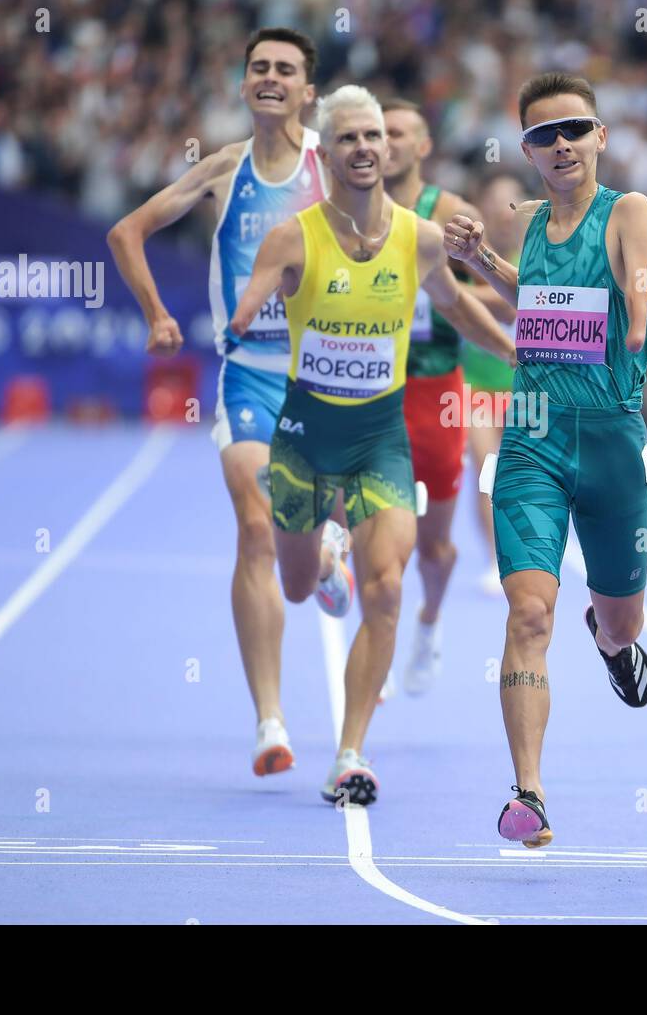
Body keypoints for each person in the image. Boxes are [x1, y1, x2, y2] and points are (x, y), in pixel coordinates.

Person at [232, 85, 515, 805]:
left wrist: (517, 350)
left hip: (380, 438)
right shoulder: (294, 236)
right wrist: (244, 316)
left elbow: (459, 306)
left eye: (374, 138)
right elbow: (247, 307)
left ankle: (351, 752)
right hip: (303, 437)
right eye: (350, 139)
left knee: (387, 585)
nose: (364, 148)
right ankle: (324, 559)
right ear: (324, 154)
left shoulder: (419, 239)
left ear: (391, 153)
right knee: (296, 586)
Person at [107, 27, 352, 781]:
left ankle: (330, 556)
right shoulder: (223, 169)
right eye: (259, 68)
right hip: (248, 371)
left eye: (286, 69)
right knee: (255, 525)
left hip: (333, 373)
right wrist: (156, 313)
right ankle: (270, 719)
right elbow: (126, 232)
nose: (271, 78)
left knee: (306, 562)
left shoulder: (336, 164)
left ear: (309, 91)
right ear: (245, 84)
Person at [443, 72, 647, 848]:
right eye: (543, 135)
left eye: (574, 128)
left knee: (621, 619)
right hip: (532, 432)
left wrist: (636, 320)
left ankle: (610, 641)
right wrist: (484, 266)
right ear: (529, 149)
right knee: (527, 612)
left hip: (611, 436)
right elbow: (536, 308)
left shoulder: (628, 209)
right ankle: (529, 792)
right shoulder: (529, 224)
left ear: (600, 136)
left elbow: (635, 274)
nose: (561, 144)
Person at [380, 100, 518, 693]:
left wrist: (511, 339)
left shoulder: (451, 213)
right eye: (374, 133)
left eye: (397, 133)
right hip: (370, 387)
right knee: (376, 542)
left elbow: (472, 292)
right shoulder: (347, 212)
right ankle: (374, 650)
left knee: (434, 547)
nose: (383, 143)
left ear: (422, 146)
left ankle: (429, 621)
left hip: (437, 385)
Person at [460, 171, 529, 593]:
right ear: (481, 210)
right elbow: (449, 295)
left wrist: (467, 295)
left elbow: (517, 301)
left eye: (512, 206)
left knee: (522, 477)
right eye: (496, 206)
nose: (504, 216)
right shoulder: (467, 258)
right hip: (476, 387)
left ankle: (525, 552)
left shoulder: (536, 253)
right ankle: (493, 558)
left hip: (529, 390)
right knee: (486, 470)